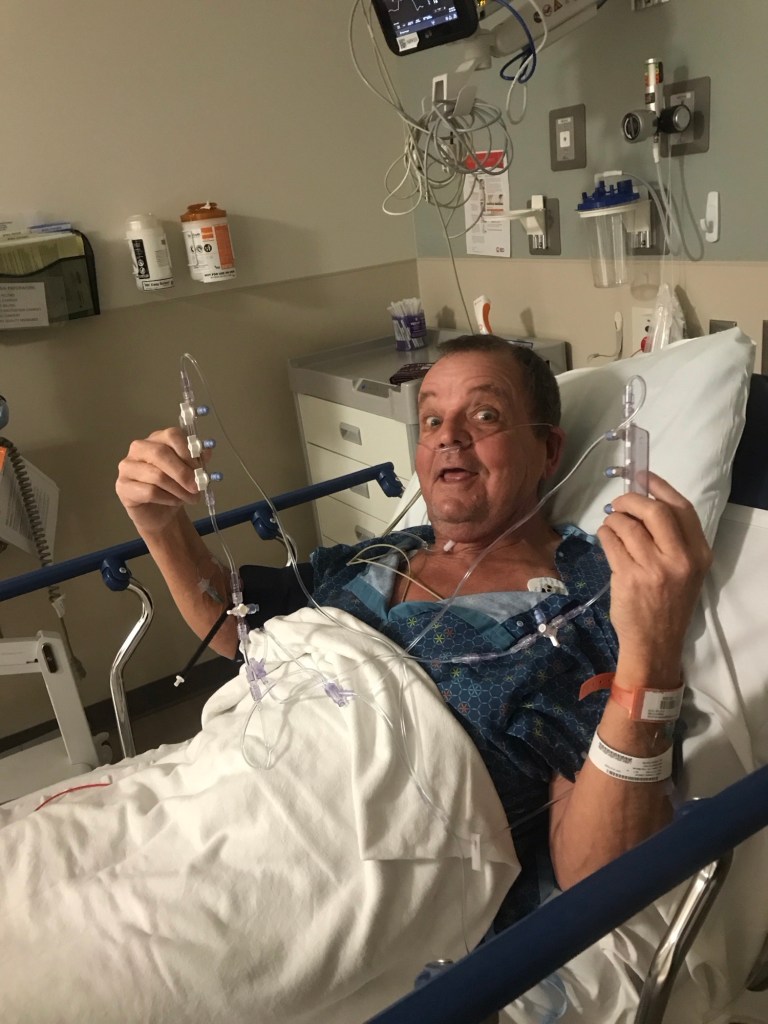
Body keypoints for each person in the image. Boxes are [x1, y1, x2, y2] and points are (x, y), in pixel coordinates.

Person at [115, 334, 712, 927]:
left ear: (549, 450)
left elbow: (594, 872)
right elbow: (233, 626)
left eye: (485, 414)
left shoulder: (590, 600)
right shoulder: (381, 554)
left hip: (309, 881)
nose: (449, 435)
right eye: (431, 419)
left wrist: (652, 654)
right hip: (198, 802)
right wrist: (160, 524)